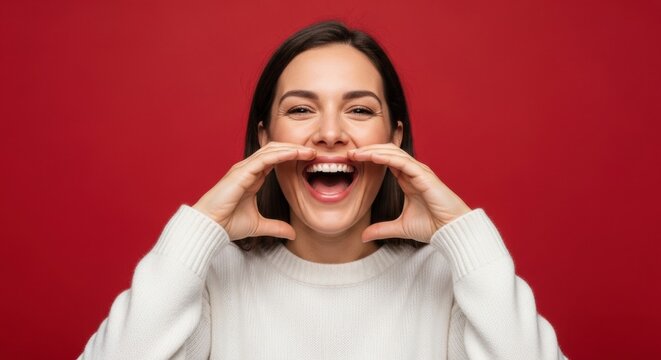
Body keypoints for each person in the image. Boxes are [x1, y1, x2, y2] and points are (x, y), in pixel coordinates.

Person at [78, 21, 568, 359]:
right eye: (299, 110)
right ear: (264, 139)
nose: (330, 133)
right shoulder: (211, 280)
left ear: (394, 138)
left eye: (358, 110)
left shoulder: (448, 282)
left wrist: (468, 240)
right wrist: (196, 234)